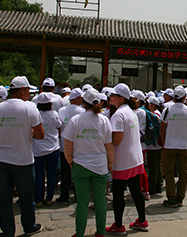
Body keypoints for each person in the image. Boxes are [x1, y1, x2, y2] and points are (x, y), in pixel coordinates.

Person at [0, 76, 44, 237]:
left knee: (4, 200)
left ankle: (7, 231)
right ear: (23, 90)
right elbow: (40, 135)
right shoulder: (29, 108)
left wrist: (4, 134)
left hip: (3, 160)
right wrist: (27, 132)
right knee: (26, 198)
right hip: (23, 160)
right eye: (28, 91)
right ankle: (29, 226)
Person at [63, 88, 113, 237]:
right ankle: (101, 232)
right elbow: (109, 146)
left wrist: (70, 162)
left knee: (82, 203)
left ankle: (79, 233)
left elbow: (68, 145)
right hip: (100, 166)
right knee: (100, 202)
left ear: (84, 103)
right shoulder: (104, 120)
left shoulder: (75, 120)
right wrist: (110, 164)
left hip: (80, 165)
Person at [106, 83, 148, 234]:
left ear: (121, 98)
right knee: (136, 191)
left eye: (113, 95)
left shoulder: (118, 115)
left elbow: (116, 139)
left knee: (118, 193)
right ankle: (142, 221)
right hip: (135, 158)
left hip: (122, 160)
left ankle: (118, 225)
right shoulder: (130, 111)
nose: (110, 97)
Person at [160, 86, 187, 208]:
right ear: (184, 97)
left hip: (170, 145)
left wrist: (164, 142)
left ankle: (171, 198)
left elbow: (162, 128)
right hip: (185, 145)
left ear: (173, 97)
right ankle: (180, 197)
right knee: (183, 173)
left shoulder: (167, 110)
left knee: (169, 173)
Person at [56, 88, 84, 204]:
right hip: (78, 147)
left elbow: (58, 128)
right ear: (77, 99)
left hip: (64, 146)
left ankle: (64, 196)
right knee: (78, 173)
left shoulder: (61, 111)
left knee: (65, 173)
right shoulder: (82, 111)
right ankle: (78, 196)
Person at [33, 92, 62, 207]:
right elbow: (59, 127)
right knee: (51, 174)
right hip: (53, 148)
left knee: (39, 174)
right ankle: (49, 198)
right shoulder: (54, 114)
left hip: (38, 148)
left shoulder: (36, 114)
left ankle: (38, 199)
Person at [145, 96, 163, 194]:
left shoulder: (153, 115)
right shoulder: (159, 114)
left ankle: (152, 186)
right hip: (158, 144)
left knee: (153, 167)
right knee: (158, 165)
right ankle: (158, 184)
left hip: (153, 144)